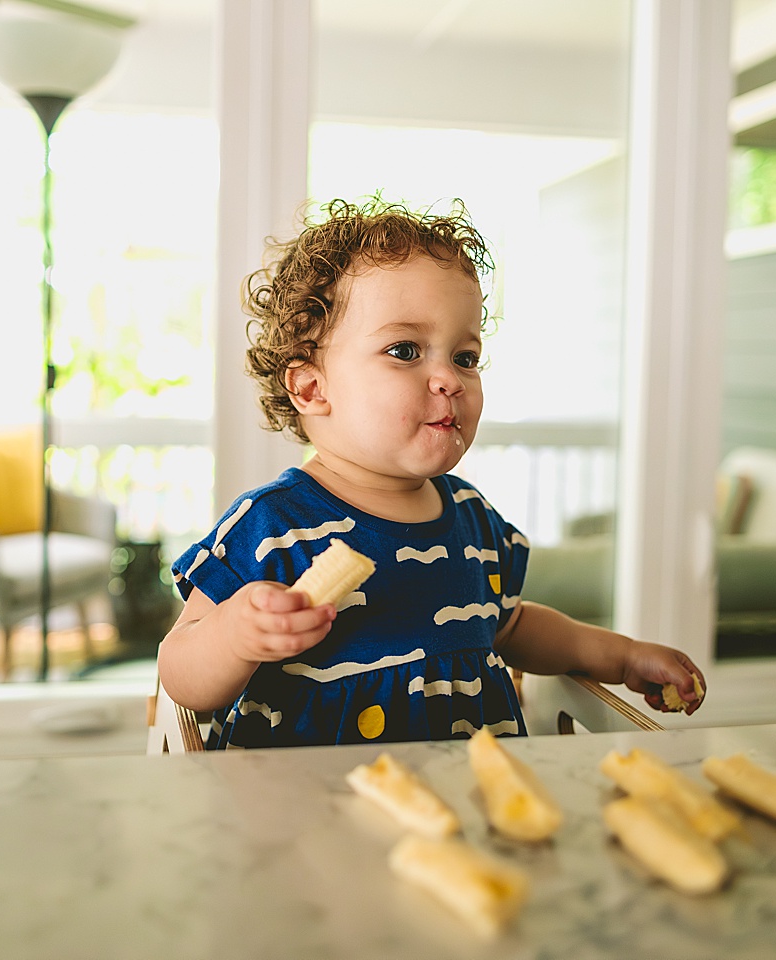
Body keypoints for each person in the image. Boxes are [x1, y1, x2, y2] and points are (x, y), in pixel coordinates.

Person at [157, 197, 705, 749]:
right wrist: (236, 636)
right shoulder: (275, 522)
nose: (449, 378)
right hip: (307, 815)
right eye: (405, 350)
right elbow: (180, 673)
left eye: (465, 357)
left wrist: (623, 654)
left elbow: (511, 626)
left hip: (463, 805)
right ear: (311, 388)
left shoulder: (471, 517)